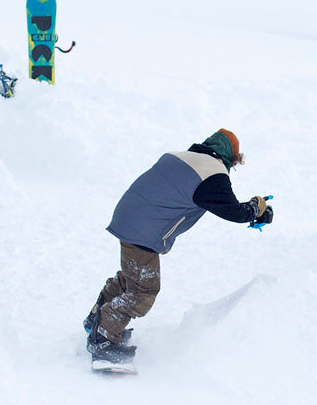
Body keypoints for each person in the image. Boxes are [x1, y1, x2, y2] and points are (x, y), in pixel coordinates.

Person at [84, 130, 273, 367]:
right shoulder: (212, 173)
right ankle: (104, 339)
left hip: (129, 215)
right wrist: (257, 209)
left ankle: (96, 318)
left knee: (133, 277)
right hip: (143, 228)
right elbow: (232, 211)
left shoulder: (181, 157)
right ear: (229, 157)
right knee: (144, 289)